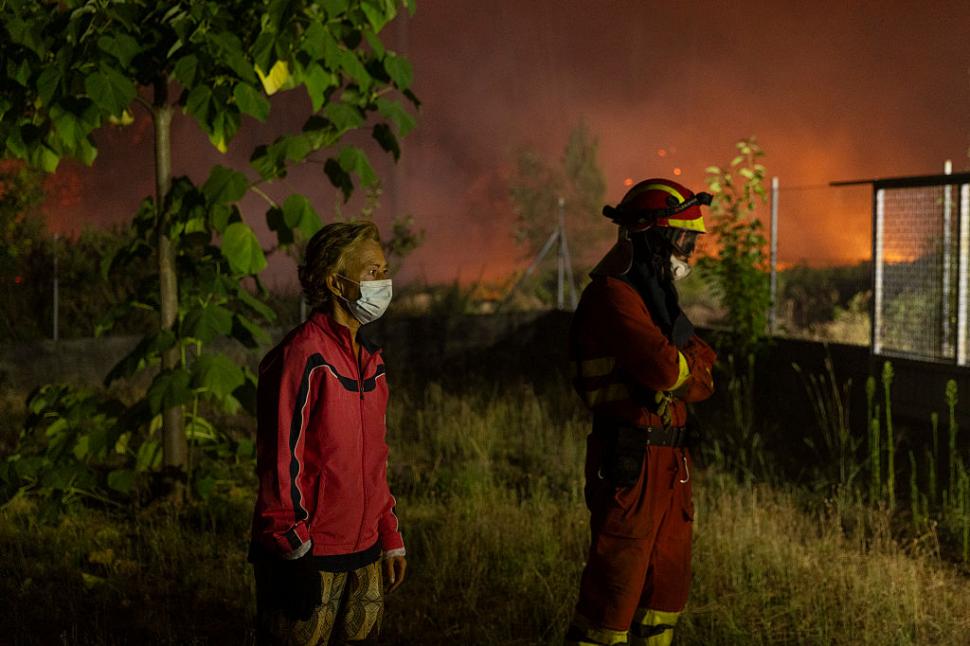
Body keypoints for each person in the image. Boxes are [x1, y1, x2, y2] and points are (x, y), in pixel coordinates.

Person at [565, 178, 718, 646]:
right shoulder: (615, 296)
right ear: (654, 237)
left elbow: (704, 374)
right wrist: (686, 369)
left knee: (665, 591)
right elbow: (669, 370)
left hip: (671, 466)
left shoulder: (654, 299)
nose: (688, 251)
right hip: (631, 464)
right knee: (613, 594)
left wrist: (688, 368)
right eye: (683, 238)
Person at [249, 221, 406, 645]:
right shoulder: (302, 355)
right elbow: (280, 459)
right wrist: (292, 548)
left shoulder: (371, 361)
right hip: (307, 556)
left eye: (385, 270)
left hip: (365, 554)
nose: (384, 282)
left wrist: (389, 536)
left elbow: (376, 459)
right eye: (373, 272)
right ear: (337, 282)